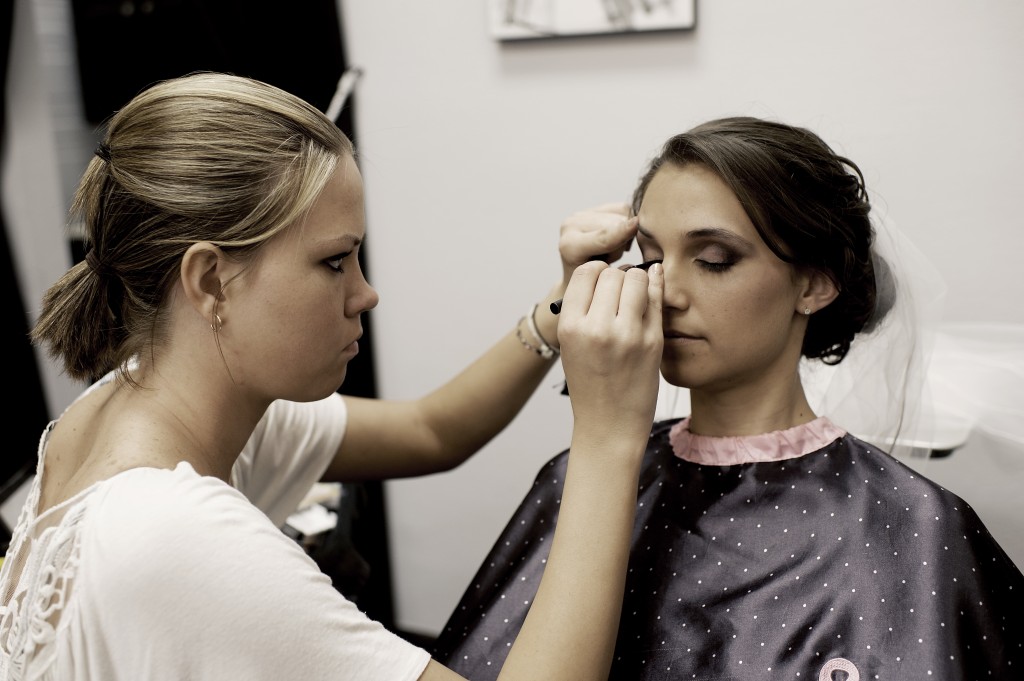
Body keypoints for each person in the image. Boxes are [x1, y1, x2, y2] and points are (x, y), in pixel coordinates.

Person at [0, 72, 667, 680]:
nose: (365, 293)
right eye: (335, 262)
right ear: (210, 282)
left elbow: (431, 430)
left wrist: (556, 311)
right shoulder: (177, 538)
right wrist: (609, 431)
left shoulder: (129, 404)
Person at [433, 116, 1024, 680]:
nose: (666, 292)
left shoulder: (916, 524)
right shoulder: (581, 476)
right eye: (652, 259)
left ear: (815, 284)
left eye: (715, 260)